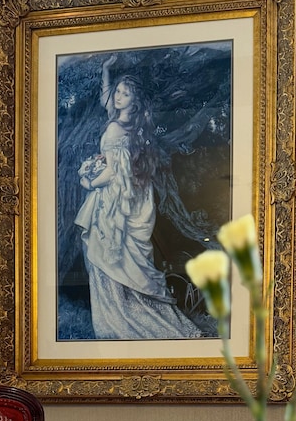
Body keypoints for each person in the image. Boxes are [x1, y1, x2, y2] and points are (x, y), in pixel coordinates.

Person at [74, 54, 208, 340]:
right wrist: (106, 71)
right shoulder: (128, 125)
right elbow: (106, 100)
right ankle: (122, 316)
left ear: (135, 101)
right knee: (115, 262)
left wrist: (88, 182)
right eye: (118, 92)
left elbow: (112, 172)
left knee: (109, 259)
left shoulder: (117, 129)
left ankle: (118, 320)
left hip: (114, 202)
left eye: (125, 94)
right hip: (126, 197)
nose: (118, 97)